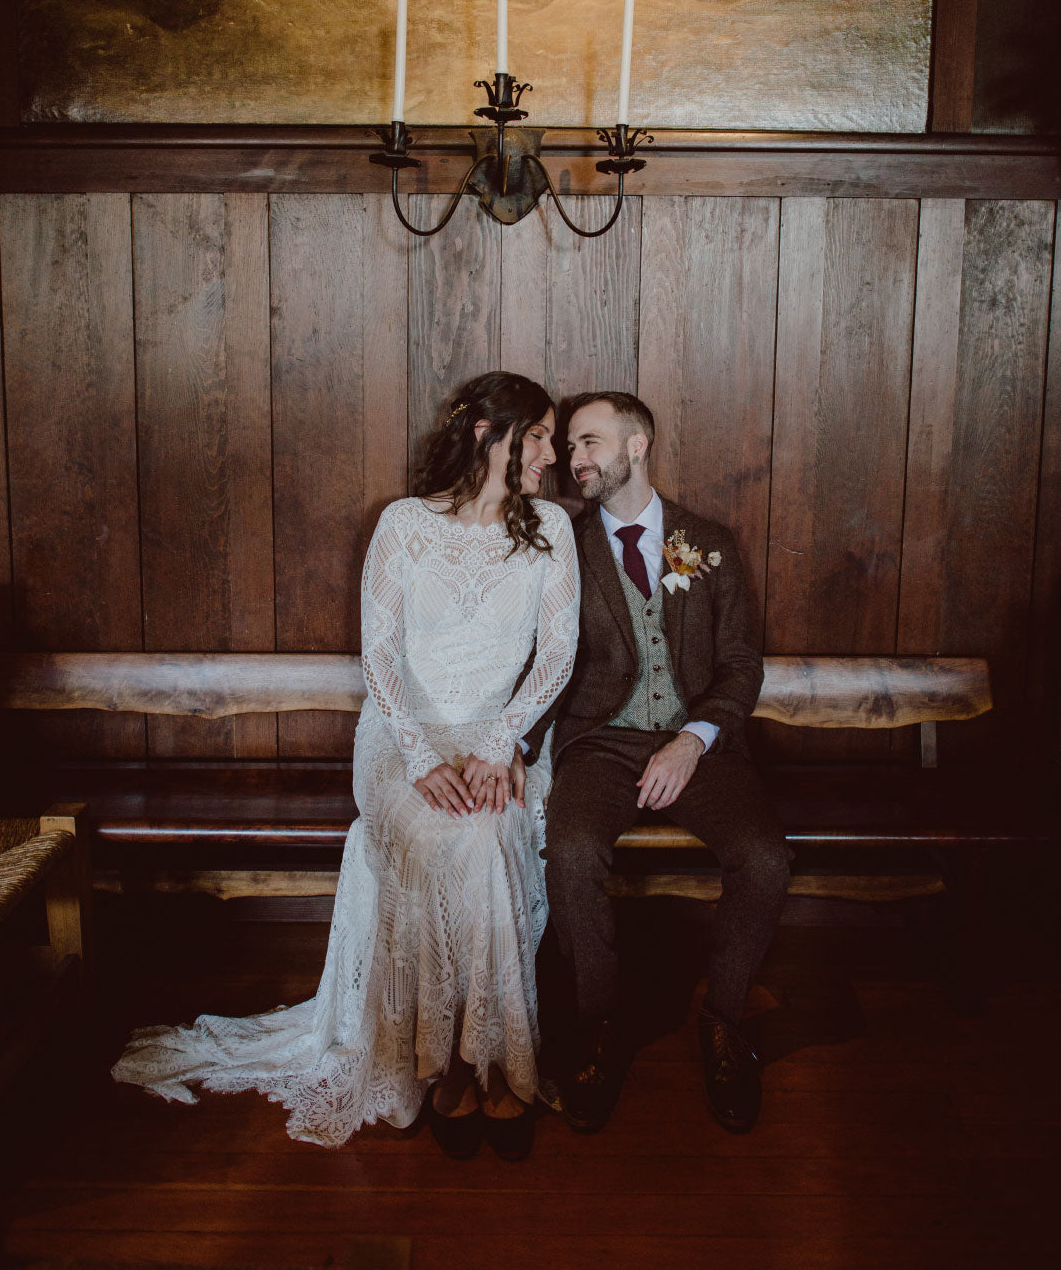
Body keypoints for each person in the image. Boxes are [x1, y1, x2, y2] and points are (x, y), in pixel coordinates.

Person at [113, 372, 580, 1161]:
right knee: (447, 837)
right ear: (482, 432)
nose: (550, 452)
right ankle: (440, 1069)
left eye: (552, 438)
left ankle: (487, 1062)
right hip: (401, 741)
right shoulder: (403, 526)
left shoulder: (551, 530)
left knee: (487, 835)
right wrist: (423, 755)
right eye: (535, 435)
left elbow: (559, 653)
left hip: (498, 737)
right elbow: (381, 658)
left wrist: (502, 744)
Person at [526, 391, 790, 1135]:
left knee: (766, 858)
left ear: (637, 445)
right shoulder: (560, 545)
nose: (575, 460)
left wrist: (694, 737)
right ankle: (600, 1023)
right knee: (571, 852)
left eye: (590, 443)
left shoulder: (708, 542)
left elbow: (740, 664)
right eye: (571, 446)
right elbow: (538, 657)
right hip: (600, 745)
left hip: (697, 745)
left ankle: (724, 1023)